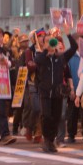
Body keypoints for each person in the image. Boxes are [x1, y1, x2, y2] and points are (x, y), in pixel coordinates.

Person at [34, 24, 76, 153]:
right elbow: (38, 60)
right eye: (47, 41)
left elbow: (74, 47)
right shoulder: (41, 56)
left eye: (52, 41)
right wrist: (47, 50)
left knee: (56, 117)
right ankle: (47, 140)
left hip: (58, 93)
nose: (51, 43)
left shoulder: (61, 57)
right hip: (45, 93)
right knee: (46, 116)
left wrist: (68, 34)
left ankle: (51, 140)